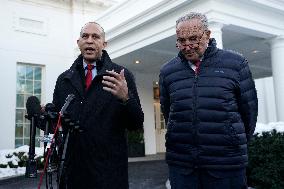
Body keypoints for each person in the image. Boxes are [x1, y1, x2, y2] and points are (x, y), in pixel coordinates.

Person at [159, 12, 258, 189]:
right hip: (182, 166)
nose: (188, 46)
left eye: (194, 39)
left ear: (207, 35)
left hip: (226, 163)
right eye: (182, 41)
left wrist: (232, 141)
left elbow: (249, 112)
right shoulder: (167, 71)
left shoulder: (236, 63)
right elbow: (169, 113)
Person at [52, 22, 144, 189]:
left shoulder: (121, 76)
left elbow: (136, 123)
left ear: (104, 43)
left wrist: (126, 99)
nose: (89, 40)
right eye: (85, 36)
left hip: (109, 174)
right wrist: (49, 115)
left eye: (95, 37)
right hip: (73, 174)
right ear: (78, 42)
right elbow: (57, 125)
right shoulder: (64, 80)